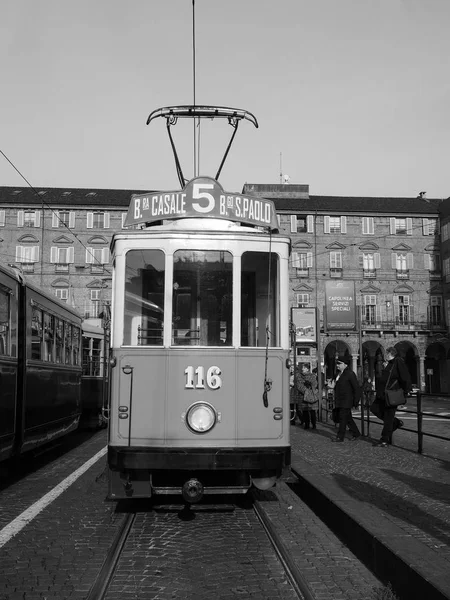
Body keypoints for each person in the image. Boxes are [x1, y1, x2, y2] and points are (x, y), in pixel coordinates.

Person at [371, 347, 411, 448]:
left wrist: (405, 392)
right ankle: (395, 422)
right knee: (374, 408)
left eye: (385, 353)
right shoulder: (388, 364)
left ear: (389, 354)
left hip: (391, 395)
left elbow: (405, 377)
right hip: (382, 395)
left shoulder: (398, 362)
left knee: (388, 417)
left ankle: (384, 440)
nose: (384, 356)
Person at [331, 355, 361, 442]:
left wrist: (356, 401)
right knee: (348, 419)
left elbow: (356, 388)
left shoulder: (350, 374)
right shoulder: (338, 374)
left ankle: (340, 437)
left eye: (339, 363)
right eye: (337, 363)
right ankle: (356, 433)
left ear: (345, 364)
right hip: (340, 400)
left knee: (342, 418)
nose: (337, 365)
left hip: (346, 400)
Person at [295, 363, 318, 429]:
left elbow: (315, 384)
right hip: (303, 396)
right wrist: (306, 391)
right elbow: (299, 386)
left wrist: (309, 387)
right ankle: (307, 424)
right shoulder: (299, 376)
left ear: (308, 369)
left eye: (304, 368)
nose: (302, 369)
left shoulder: (312, 376)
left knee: (312, 411)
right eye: (302, 367)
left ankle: (314, 424)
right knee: (305, 410)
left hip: (311, 395)